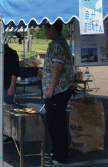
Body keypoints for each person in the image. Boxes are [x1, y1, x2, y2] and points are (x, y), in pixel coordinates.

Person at [43, 20, 74, 166]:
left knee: (56, 125)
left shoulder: (57, 45)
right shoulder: (61, 42)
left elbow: (57, 67)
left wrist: (50, 89)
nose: (45, 31)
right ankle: (56, 152)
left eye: (46, 28)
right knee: (57, 124)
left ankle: (59, 157)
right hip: (61, 90)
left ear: (53, 29)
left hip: (57, 91)